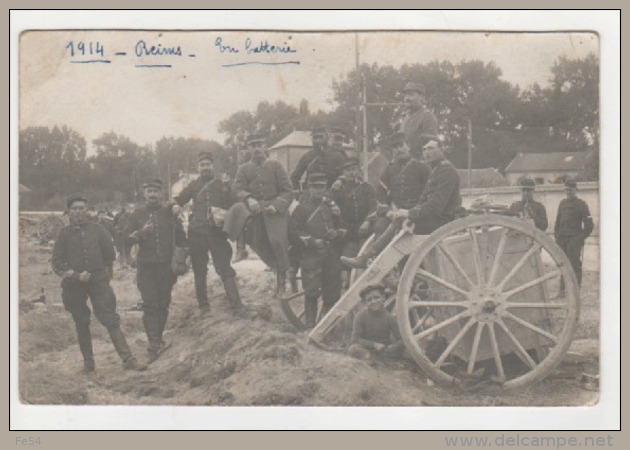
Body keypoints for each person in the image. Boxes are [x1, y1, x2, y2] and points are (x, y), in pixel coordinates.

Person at [51, 194, 146, 373]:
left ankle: (128, 359)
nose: (78, 212)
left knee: (110, 318)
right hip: (74, 285)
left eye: (81, 208)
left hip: (98, 282)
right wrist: (76, 275)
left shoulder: (98, 229)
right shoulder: (63, 234)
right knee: (81, 321)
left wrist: (98, 271)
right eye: (74, 209)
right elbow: (57, 262)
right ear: (69, 212)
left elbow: (110, 254)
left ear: (86, 210)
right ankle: (89, 364)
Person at [341, 132, 430, 269]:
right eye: (395, 147)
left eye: (401, 145)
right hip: (394, 213)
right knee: (379, 225)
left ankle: (367, 258)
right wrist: (388, 211)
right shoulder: (390, 169)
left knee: (401, 232)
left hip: (414, 213)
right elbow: (380, 193)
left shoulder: (422, 168)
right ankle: (381, 270)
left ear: (408, 146)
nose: (399, 150)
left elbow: (429, 193)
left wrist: (412, 211)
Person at [172, 151, 243, 313]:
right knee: (199, 270)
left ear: (213, 166)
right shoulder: (193, 185)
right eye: (202, 165)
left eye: (208, 165)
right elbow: (179, 200)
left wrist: (228, 187)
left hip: (217, 233)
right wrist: (175, 206)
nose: (205, 168)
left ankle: (237, 306)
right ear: (198, 167)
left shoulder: (221, 184)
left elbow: (233, 205)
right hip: (196, 233)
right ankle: (204, 306)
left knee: (225, 268)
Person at [126, 178, 186, 363]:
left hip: (166, 266)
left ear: (162, 193)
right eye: (149, 191)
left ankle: (158, 338)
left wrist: (184, 257)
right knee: (150, 304)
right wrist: (142, 233)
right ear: (144, 193)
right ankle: (153, 343)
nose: (152, 194)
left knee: (163, 303)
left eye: (156, 191)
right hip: (146, 266)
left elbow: (182, 238)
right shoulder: (137, 214)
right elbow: (127, 239)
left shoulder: (170, 212)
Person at [234, 134, 294, 296]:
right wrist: (248, 198)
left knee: (278, 242)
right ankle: (276, 266)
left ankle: (281, 284)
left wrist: (277, 205)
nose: (257, 149)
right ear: (249, 149)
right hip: (255, 211)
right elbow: (237, 189)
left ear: (265, 146)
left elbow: (288, 190)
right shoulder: (243, 169)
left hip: (275, 211)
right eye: (253, 145)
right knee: (255, 241)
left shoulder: (276, 165)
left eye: (260, 144)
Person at [289, 172, 348, 327]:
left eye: (321, 187)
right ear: (309, 188)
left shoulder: (331, 208)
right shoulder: (301, 209)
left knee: (332, 291)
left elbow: (342, 226)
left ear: (325, 188)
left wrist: (336, 233)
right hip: (311, 256)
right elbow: (293, 232)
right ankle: (310, 326)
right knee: (311, 291)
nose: (318, 191)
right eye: (315, 187)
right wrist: (313, 242)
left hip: (330, 254)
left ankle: (328, 327)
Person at [330, 158, 376, 286]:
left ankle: (367, 284)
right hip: (348, 230)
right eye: (348, 170)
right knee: (345, 258)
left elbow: (374, 206)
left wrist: (367, 221)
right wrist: (333, 204)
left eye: (353, 169)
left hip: (366, 229)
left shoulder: (367, 188)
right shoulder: (338, 189)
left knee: (366, 253)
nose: (351, 173)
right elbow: (327, 198)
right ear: (343, 173)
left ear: (359, 170)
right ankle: (346, 286)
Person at [554, 178, 594, 288]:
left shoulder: (582, 204)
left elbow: (589, 226)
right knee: (562, 264)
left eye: (570, 190)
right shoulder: (562, 203)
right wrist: (557, 236)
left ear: (575, 190)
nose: (568, 193)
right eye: (566, 190)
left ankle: (576, 289)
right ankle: (562, 290)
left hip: (574, 239)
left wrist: (579, 239)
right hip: (562, 239)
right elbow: (557, 222)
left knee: (574, 265)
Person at [348, 284, 404, 361]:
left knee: (407, 351)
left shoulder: (389, 317)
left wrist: (393, 347)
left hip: (384, 350)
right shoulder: (360, 316)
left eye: (377, 298)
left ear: (383, 298)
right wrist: (374, 345)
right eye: (369, 300)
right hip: (367, 349)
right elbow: (355, 339)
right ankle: (374, 360)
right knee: (353, 349)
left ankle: (378, 361)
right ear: (365, 302)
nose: (373, 301)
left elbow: (401, 339)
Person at [290, 125, 348, 191]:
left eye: (320, 137)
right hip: (310, 195)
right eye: (315, 137)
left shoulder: (337, 155)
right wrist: (297, 191)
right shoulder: (307, 156)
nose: (318, 140)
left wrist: (340, 181)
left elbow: (345, 174)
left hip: (331, 194)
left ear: (326, 137)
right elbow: (294, 177)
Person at [400, 81, 439, 152]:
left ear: (421, 97)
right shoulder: (405, 118)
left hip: (419, 162)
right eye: (406, 95)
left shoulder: (427, 117)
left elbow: (431, 148)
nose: (406, 98)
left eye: (411, 95)